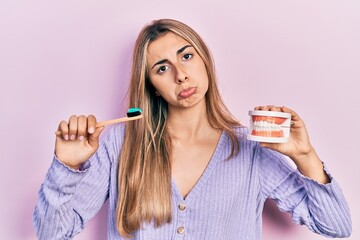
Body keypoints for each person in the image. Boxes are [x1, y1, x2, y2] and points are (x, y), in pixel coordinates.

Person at [33, 19, 352, 239]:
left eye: (186, 56)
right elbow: (53, 234)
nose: (181, 75)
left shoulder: (250, 150)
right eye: (162, 68)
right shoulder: (119, 144)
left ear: (205, 61)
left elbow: (336, 225)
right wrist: (66, 167)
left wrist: (305, 156)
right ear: (153, 86)